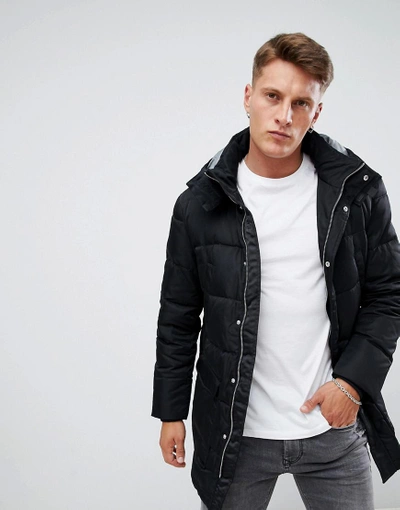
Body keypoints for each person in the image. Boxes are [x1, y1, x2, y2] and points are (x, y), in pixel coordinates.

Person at [151, 32, 400, 510]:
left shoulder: (357, 192)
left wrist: (351, 384)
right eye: (272, 96)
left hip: (333, 431)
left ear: (316, 113)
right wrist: (170, 412)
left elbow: (389, 294)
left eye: (300, 103)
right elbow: (178, 316)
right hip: (235, 436)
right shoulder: (200, 204)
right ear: (248, 97)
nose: (285, 116)